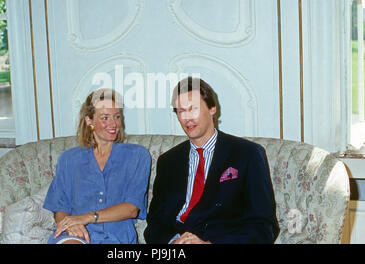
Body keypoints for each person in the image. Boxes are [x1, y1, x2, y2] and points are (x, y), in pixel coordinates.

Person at [144, 77, 279, 244]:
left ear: (212, 108)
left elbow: (264, 226)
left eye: (193, 109)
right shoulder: (168, 161)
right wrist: (172, 242)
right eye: (181, 111)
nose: (187, 118)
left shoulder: (247, 154)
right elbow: (155, 223)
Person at [43, 88, 151, 244]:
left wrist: (86, 218)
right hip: (76, 235)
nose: (113, 124)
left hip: (117, 236)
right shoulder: (69, 159)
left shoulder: (137, 156)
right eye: (105, 117)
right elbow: (59, 207)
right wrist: (68, 225)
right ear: (89, 120)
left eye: (117, 116)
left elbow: (132, 209)